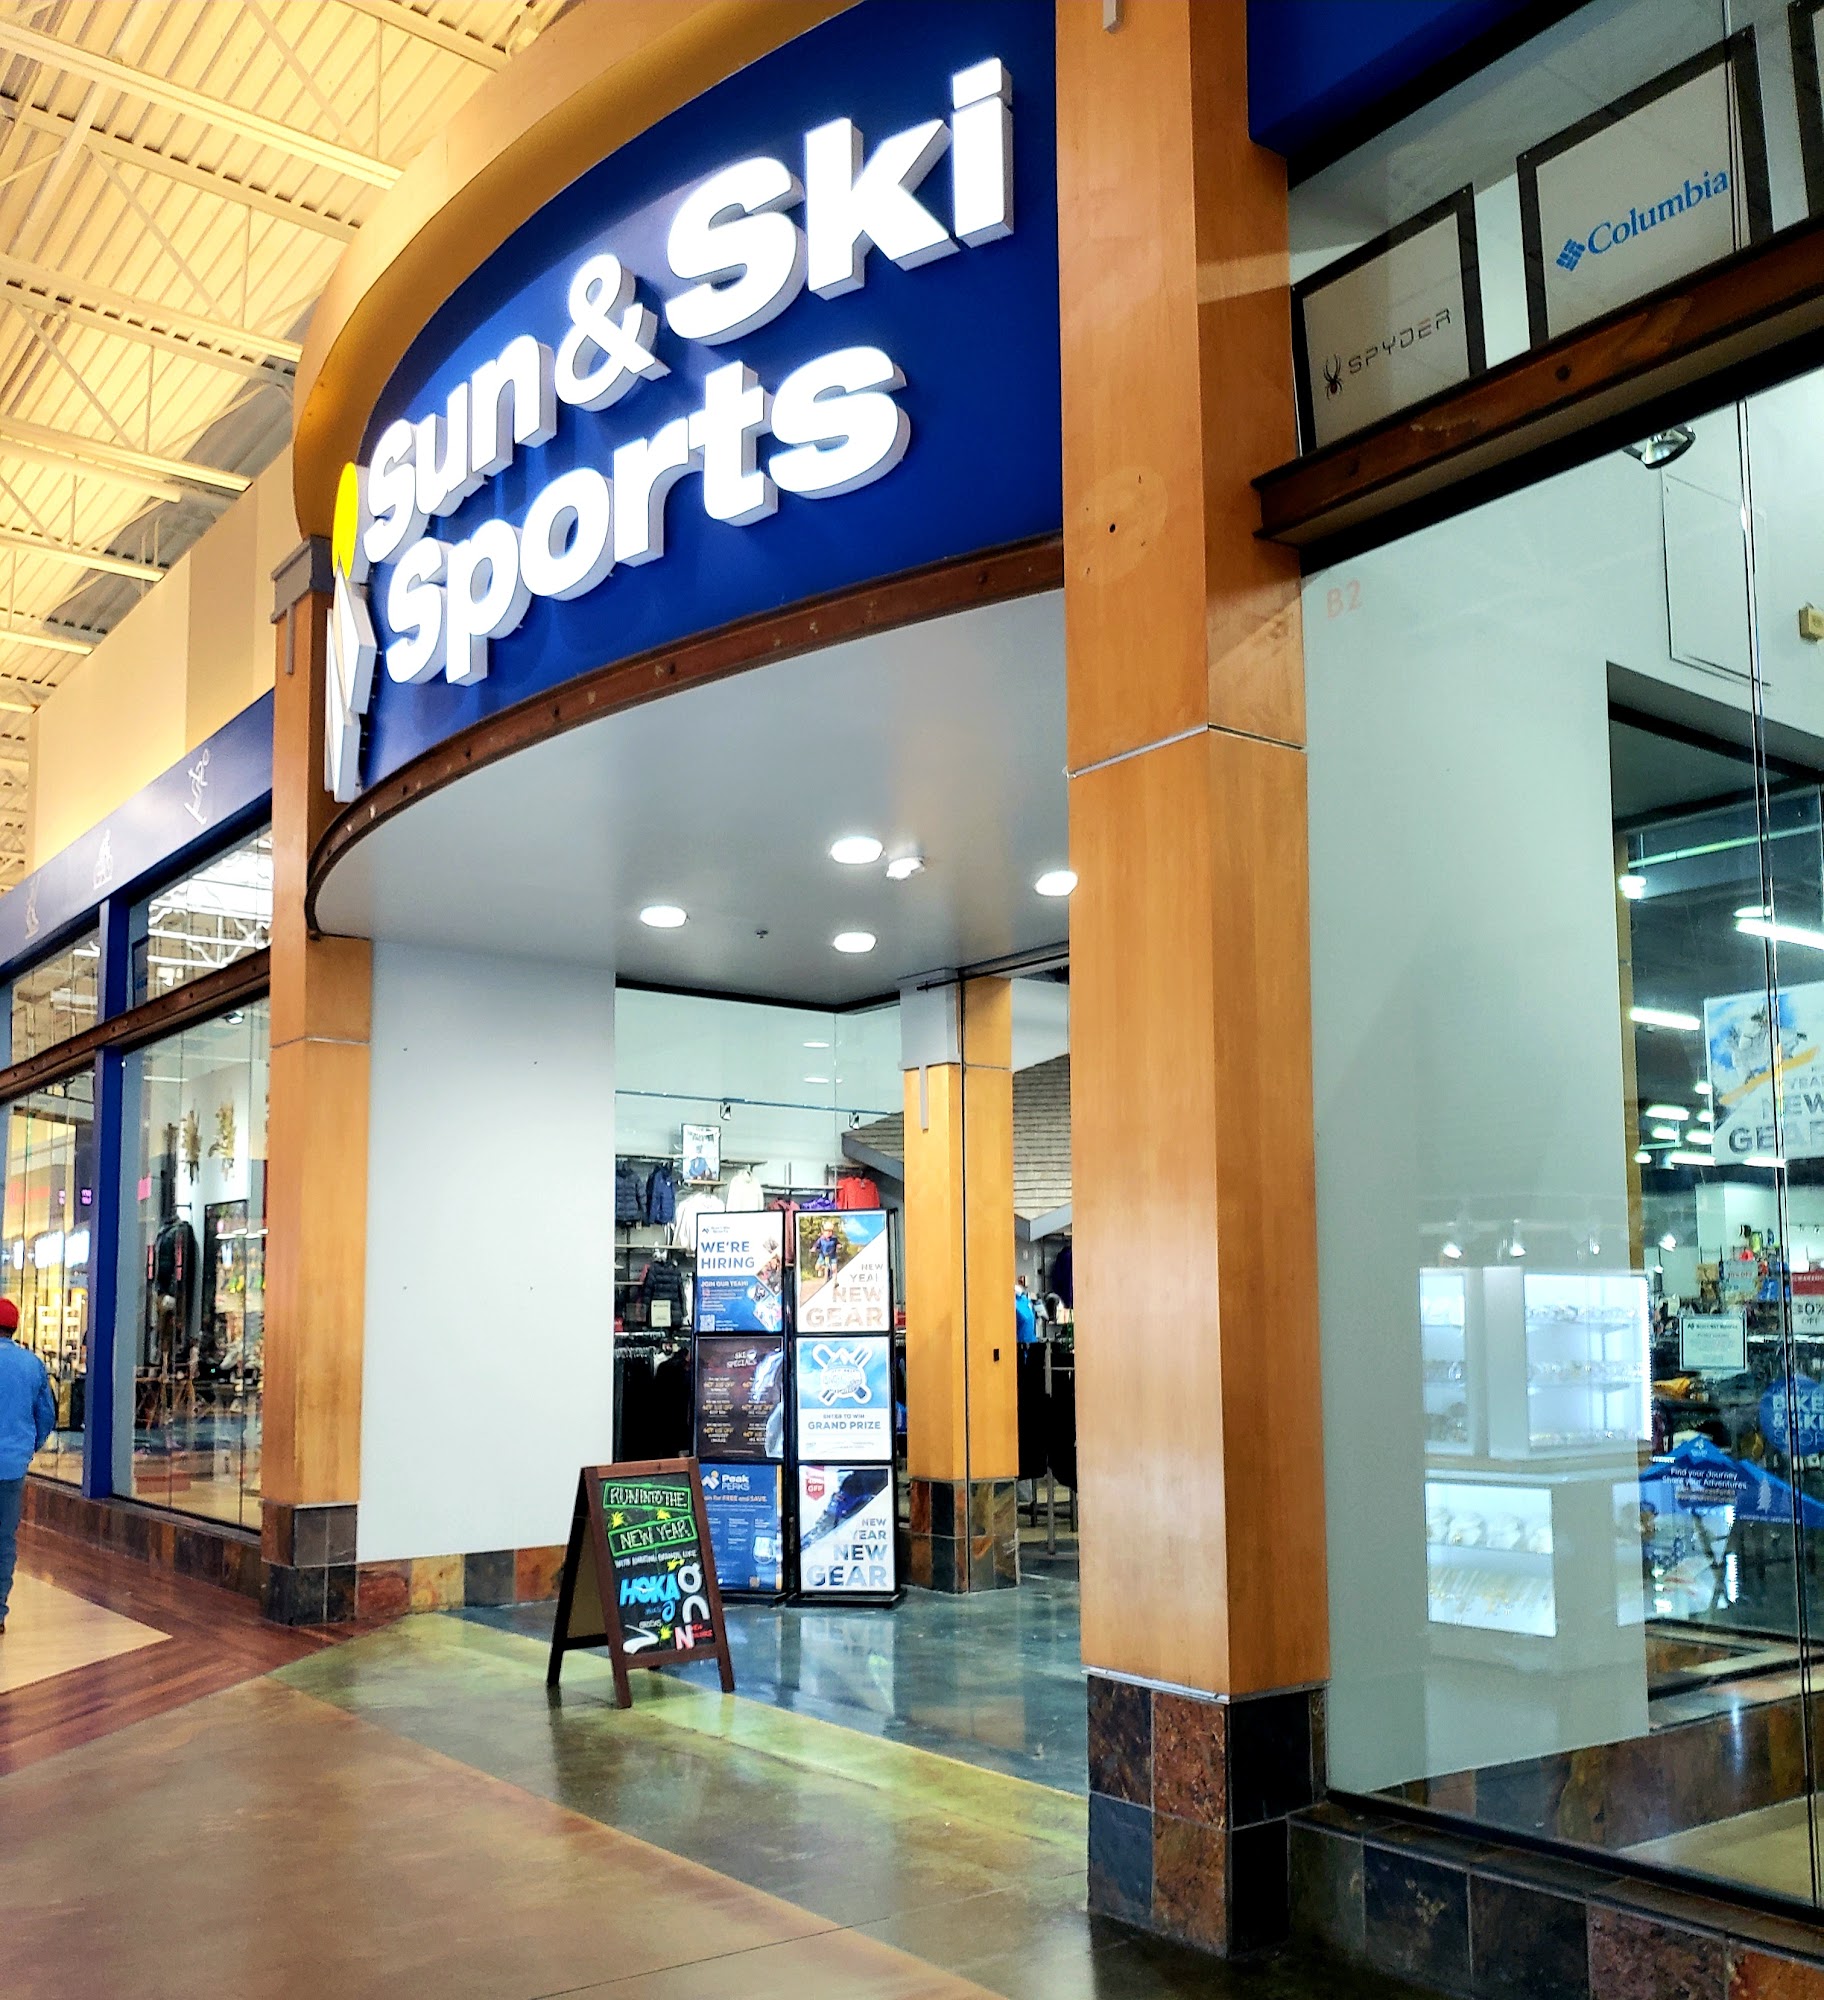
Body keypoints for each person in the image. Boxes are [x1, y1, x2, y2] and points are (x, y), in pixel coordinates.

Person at [0, 1295, 54, 1636]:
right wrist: (27, 1447)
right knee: (4, 1540)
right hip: (11, 1467)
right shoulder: (31, 1364)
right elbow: (46, 1415)